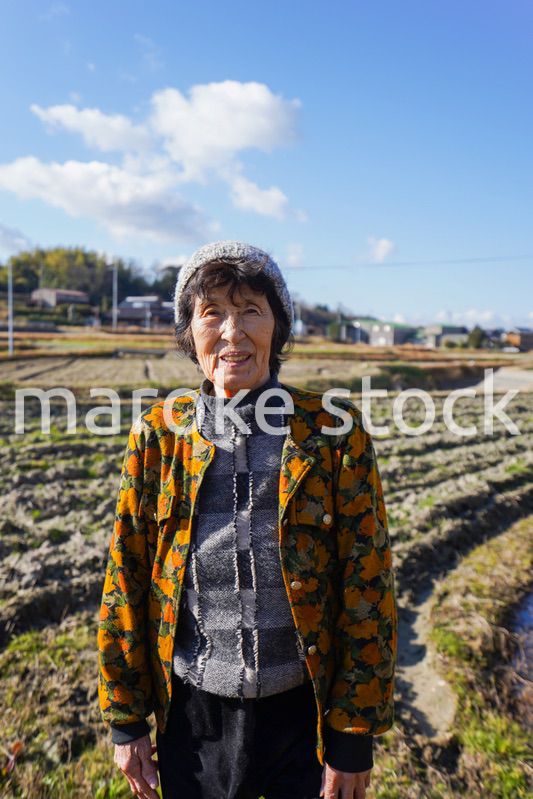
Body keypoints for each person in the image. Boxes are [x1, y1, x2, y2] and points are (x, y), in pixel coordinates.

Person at [97, 240, 397, 799]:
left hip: (302, 717)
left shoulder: (333, 431)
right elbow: (126, 576)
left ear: (277, 328)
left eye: (251, 311)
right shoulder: (160, 435)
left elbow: (368, 584)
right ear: (190, 333)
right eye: (211, 313)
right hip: (194, 718)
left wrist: (353, 735)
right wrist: (126, 718)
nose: (232, 333)